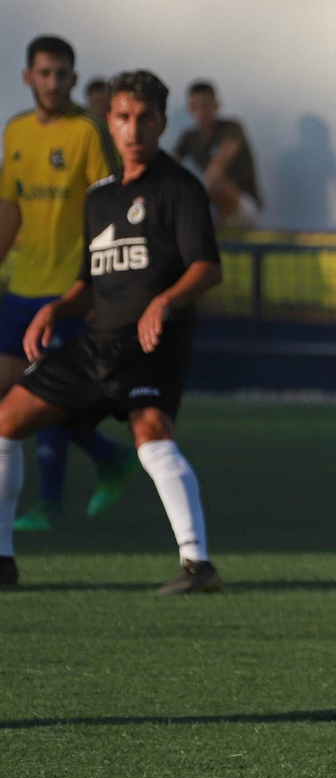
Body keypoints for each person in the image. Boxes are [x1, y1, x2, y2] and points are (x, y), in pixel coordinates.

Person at [0, 70, 221, 593]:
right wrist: (56, 308)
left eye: (145, 118)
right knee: (6, 420)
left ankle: (199, 565)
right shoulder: (99, 196)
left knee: (150, 434)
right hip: (96, 343)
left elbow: (207, 267)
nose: (133, 128)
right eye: (123, 117)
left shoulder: (179, 188)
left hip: (151, 343)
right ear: (110, 120)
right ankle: (2, 559)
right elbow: (89, 282)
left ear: (162, 122)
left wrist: (164, 301)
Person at [0, 35, 137, 535]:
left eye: (61, 74)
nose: (53, 83)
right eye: (44, 73)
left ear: (74, 78)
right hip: (22, 287)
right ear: (27, 77)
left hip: (68, 291)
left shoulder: (87, 131)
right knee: (12, 400)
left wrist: (105, 287)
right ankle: (108, 456)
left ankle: (49, 502)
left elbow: (111, 207)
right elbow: (10, 209)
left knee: (45, 395)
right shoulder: (15, 131)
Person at [173, 80, 261, 230]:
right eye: (197, 106)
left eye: (206, 105)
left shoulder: (232, 127)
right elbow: (169, 167)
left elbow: (219, 165)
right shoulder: (188, 137)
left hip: (242, 203)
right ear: (190, 108)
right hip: (212, 203)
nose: (202, 111)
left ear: (216, 105)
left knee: (214, 185)